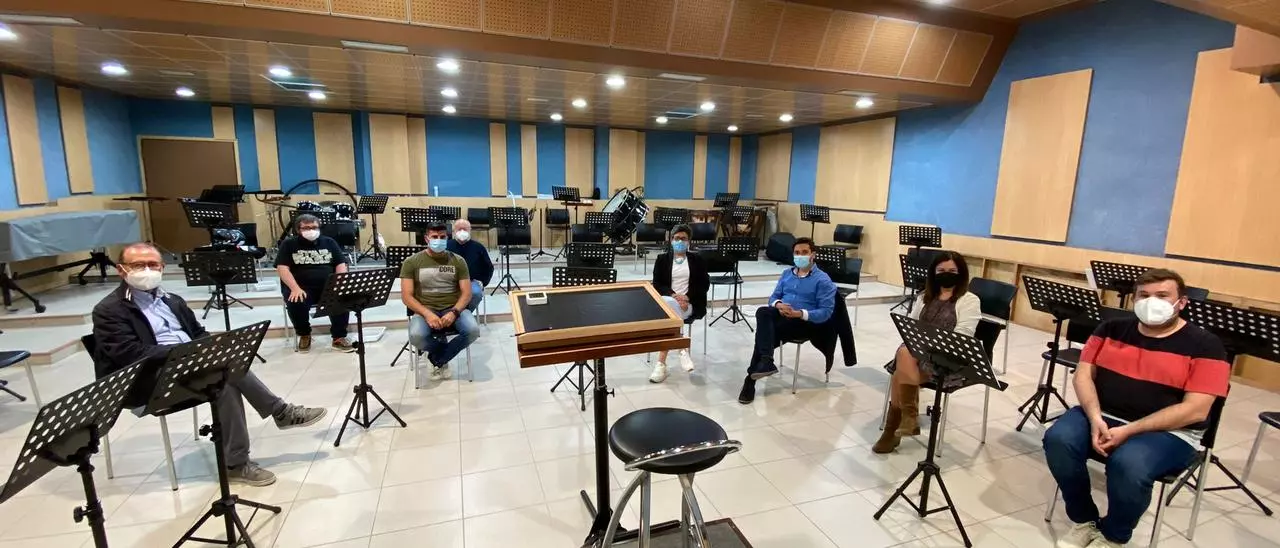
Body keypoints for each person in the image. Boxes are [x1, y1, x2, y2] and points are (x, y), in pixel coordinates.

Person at [92, 243, 328, 487]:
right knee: (222, 376)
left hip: (189, 367)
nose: (147, 270)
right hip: (149, 380)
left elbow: (198, 333)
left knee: (226, 371)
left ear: (162, 267)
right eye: (138, 265)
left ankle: (239, 460)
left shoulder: (172, 300)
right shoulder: (109, 310)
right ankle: (276, 416)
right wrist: (183, 354)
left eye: (153, 264)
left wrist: (211, 348)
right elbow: (129, 354)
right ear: (121, 270)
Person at [1043, 268, 1228, 548]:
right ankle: (1084, 519)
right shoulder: (1110, 329)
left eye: (1162, 296)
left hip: (1171, 431)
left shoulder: (1206, 345)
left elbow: (1196, 410)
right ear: (1134, 299)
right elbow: (1083, 375)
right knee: (1058, 439)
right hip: (1103, 414)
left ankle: (1113, 536)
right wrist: (1095, 418)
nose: (1151, 302)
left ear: (1181, 302)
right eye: (1144, 295)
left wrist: (1130, 430)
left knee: (1129, 464)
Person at [872, 251, 981, 453]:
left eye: (952, 271)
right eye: (941, 270)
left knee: (900, 370)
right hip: (919, 355)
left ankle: (895, 428)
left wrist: (928, 345)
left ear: (961, 273)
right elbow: (912, 328)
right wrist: (919, 346)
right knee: (905, 353)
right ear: (933, 273)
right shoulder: (924, 297)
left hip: (949, 359)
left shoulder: (969, 300)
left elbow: (963, 336)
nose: (946, 274)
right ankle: (906, 419)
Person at [738, 237, 837, 404]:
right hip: (783, 315)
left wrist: (800, 313)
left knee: (764, 336)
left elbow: (826, 312)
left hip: (804, 322)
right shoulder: (786, 274)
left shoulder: (823, 280)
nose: (800, 256)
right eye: (797, 253)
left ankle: (751, 379)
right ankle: (766, 361)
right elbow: (773, 297)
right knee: (763, 312)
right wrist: (779, 305)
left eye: (804, 252)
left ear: (813, 255)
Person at [400, 222, 480, 380]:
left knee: (473, 331)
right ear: (426, 239)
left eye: (442, 237)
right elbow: (407, 296)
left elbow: (466, 293)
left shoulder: (458, 261)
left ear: (447, 238)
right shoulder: (412, 262)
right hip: (425, 309)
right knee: (416, 336)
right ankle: (442, 353)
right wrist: (427, 314)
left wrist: (454, 312)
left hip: (453, 307)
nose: (439, 240)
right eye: (434, 237)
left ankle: (436, 358)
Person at [275, 213, 354, 353]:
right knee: (296, 301)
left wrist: (338, 283)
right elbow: (282, 268)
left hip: (328, 286)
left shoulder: (329, 242)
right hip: (301, 287)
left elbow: (340, 264)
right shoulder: (289, 244)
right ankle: (304, 334)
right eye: (306, 228)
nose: (311, 230)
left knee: (341, 297)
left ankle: (339, 337)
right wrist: (295, 288)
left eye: (314, 227)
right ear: (298, 229)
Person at [648, 224, 710, 383]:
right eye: (677, 238)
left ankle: (661, 364)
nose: (680, 241)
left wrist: (687, 297)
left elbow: (704, 284)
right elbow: (657, 284)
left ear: (689, 241)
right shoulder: (662, 259)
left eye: (683, 238)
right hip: (668, 302)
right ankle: (681, 348)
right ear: (671, 240)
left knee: (670, 314)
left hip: (689, 305)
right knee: (670, 304)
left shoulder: (697, 260)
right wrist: (674, 296)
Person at [445, 218, 493, 313]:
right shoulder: (446, 246)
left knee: (476, 293)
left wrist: (483, 282)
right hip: (449, 281)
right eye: (459, 229)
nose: (462, 231)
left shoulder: (478, 247)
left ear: (470, 230)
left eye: (465, 229)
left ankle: (463, 313)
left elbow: (488, 267)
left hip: (471, 281)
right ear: (454, 231)